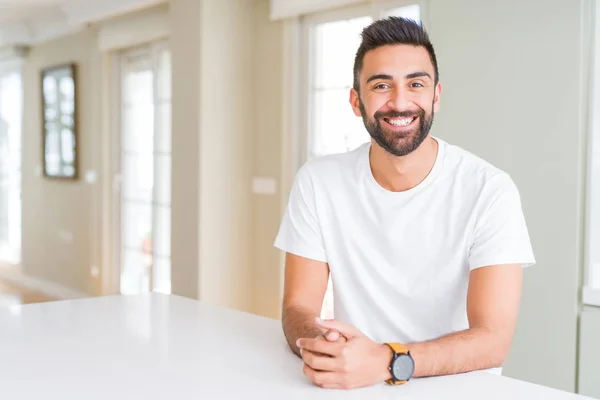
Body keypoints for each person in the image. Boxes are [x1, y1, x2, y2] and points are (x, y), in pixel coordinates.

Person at [274, 16, 535, 390]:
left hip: (458, 388)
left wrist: (386, 360)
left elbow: (493, 339)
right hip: (355, 383)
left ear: (436, 96)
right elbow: (298, 307)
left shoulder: (490, 191)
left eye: (415, 84)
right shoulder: (318, 182)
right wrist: (326, 346)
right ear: (355, 100)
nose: (399, 102)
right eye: (381, 85)